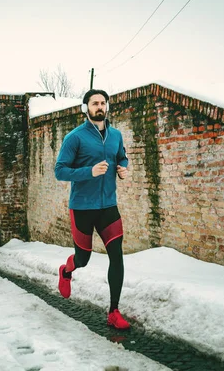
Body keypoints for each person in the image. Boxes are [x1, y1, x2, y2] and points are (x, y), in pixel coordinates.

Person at [54, 88, 130, 330]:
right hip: (82, 208)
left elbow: (122, 157)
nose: (100, 107)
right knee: (83, 258)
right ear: (85, 107)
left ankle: (114, 311)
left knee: (116, 255)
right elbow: (60, 170)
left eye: (103, 103)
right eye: (95, 103)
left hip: (108, 206)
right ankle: (67, 270)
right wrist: (89, 171)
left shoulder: (116, 135)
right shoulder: (74, 137)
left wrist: (123, 168)